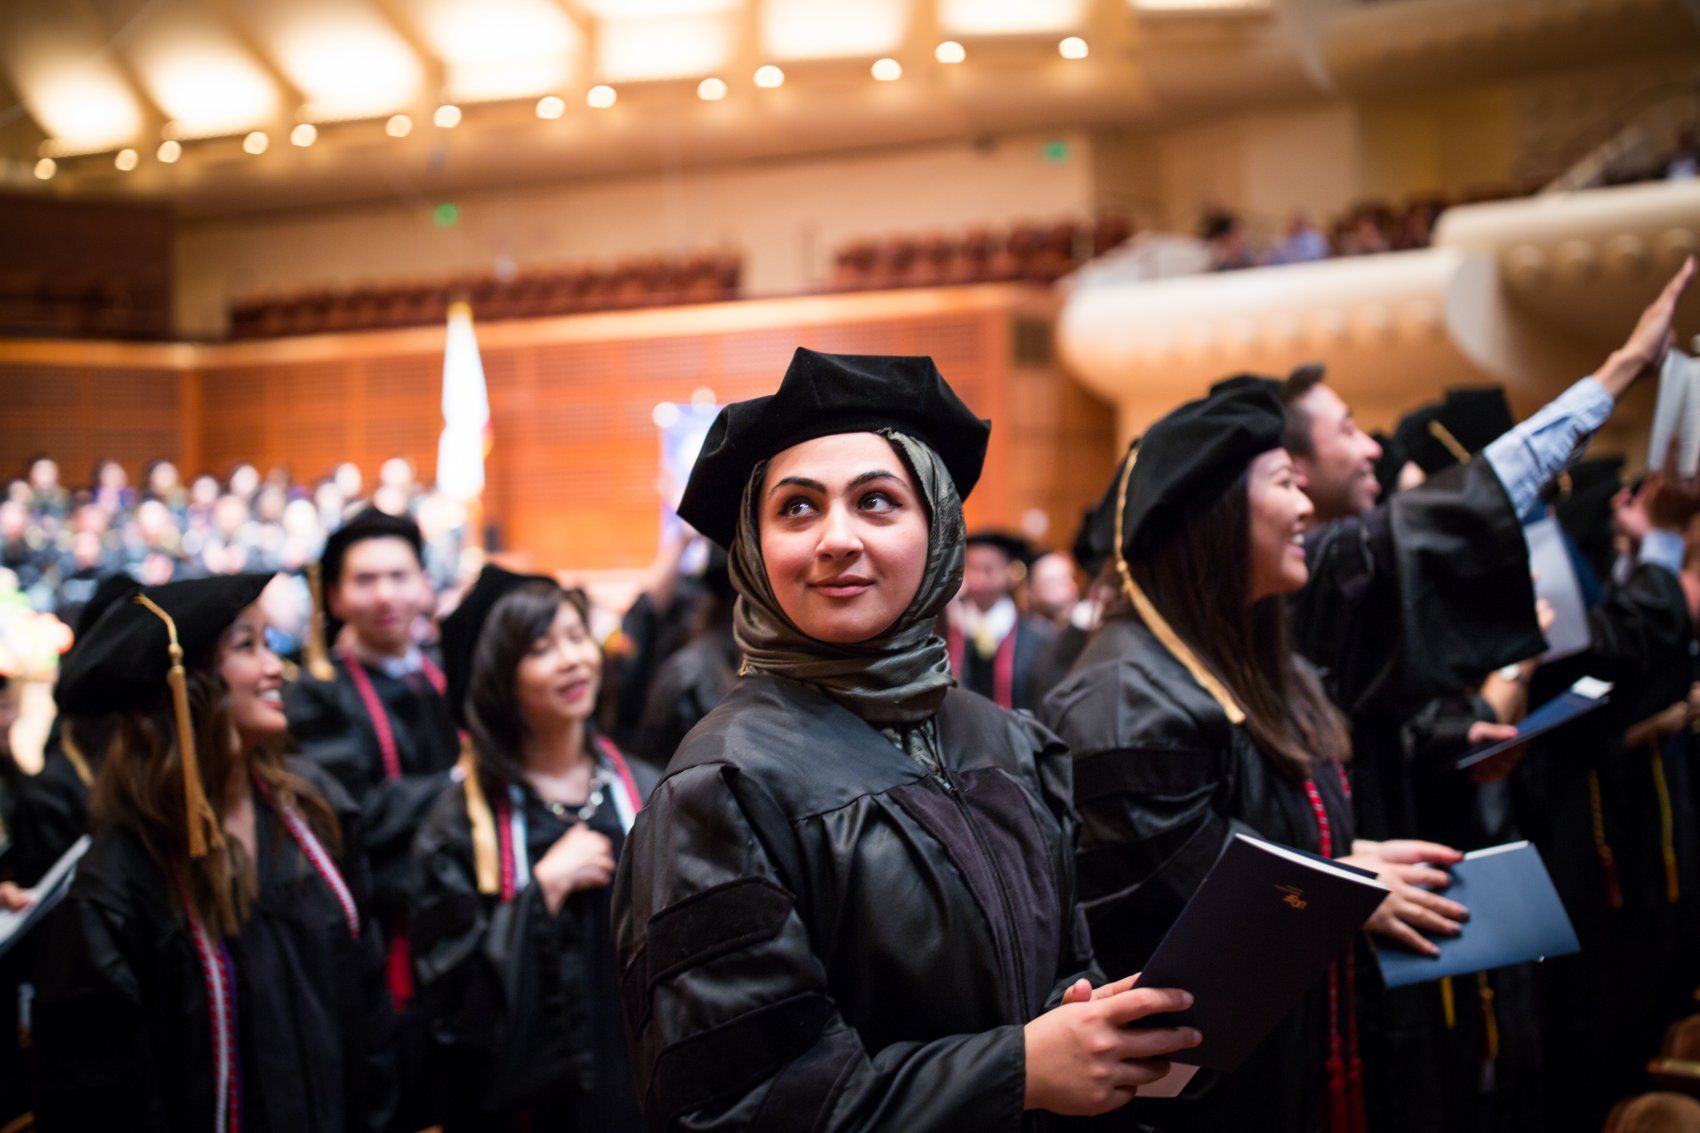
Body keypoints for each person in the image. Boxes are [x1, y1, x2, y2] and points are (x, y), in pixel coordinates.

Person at [613, 347, 1198, 1130]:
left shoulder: (1010, 741)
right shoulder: (721, 789)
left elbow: (1057, 967)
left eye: (877, 501)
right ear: (754, 552)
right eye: (796, 508)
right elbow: (741, 1104)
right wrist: (1018, 1069)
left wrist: (1085, 1018)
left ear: (939, 531)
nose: (836, 538)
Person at [1042, 379, 1468, 1132]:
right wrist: (1350, 887)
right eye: (1284, 484)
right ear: (1215, 517)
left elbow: (1240, 837)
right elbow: (1199, 924)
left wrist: (1347, 851)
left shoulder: (1253, 666)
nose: (1308, 508)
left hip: (1298, 1058)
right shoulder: (1122, 707)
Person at [31, 573, 396, 1131]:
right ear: (186, 684)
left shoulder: (314, 817)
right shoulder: (121, 885)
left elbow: (369, 1013)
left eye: (267, 643)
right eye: (247, 646)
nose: (277, 667)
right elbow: (101, 1098)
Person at [411, 565, 656, 1130]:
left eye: (577, 637)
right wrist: (540, 892)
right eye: (542, 648)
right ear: (502, 677)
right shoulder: (459, 828)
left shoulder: (645, 787)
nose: (573, 659)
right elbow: (454, 1011)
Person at [285, 506, 457, 1127]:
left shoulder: (447, 674)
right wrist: (467, 782)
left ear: (424, 585)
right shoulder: (312, 695)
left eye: (399, 575)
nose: (385, 595)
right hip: (385, 941)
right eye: (364, 580)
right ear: (333, 595)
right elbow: (352, 814)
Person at [946, 531, 1057, 712]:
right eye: (970, 568)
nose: (976, 579)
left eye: (988, 569)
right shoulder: (949, 634)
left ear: (1009, 573)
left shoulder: (1038, 637)